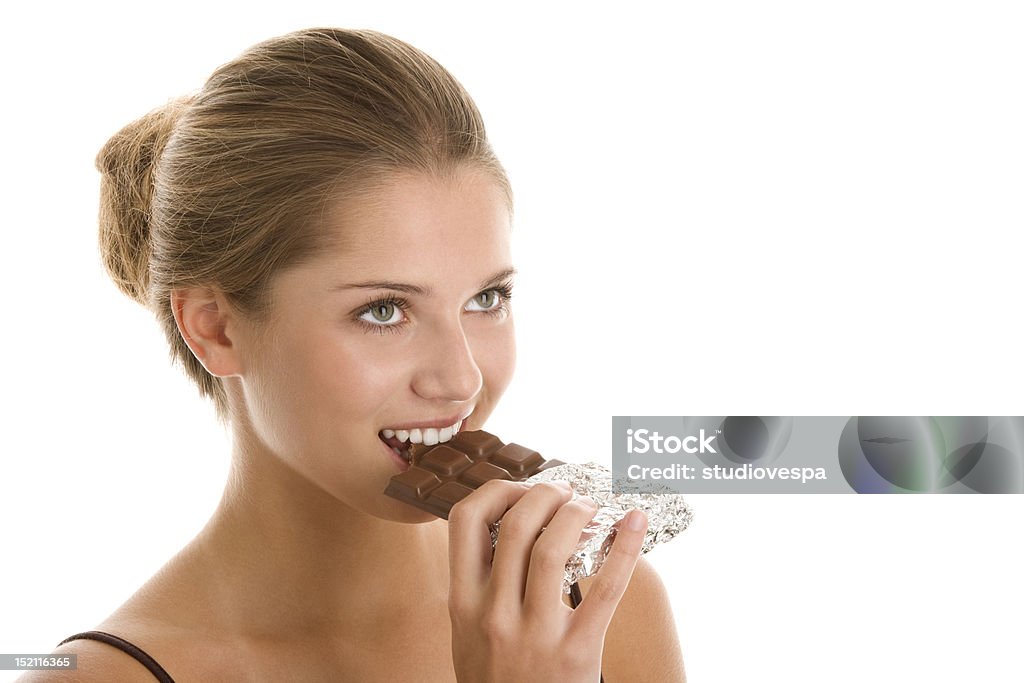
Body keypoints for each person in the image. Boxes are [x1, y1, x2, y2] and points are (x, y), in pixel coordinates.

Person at [27, 27, 685, 682]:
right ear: (216, 328)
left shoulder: (600, 611)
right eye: (383, 311)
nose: (462, 378)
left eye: (486, 298)